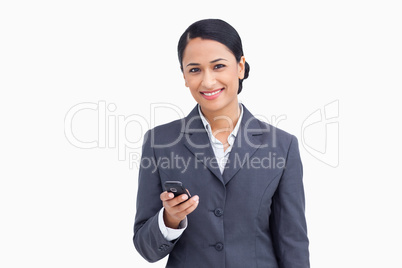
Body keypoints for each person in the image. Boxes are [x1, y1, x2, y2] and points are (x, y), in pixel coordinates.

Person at [133, 18, 309, 268]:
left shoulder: (282, 146)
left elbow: (293, 244)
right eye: (194, 69)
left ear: (240, 67)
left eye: (218, 66)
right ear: (183, 75)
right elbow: (145, 248)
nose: (207, 81)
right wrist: (170, 219)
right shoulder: (159, 142)